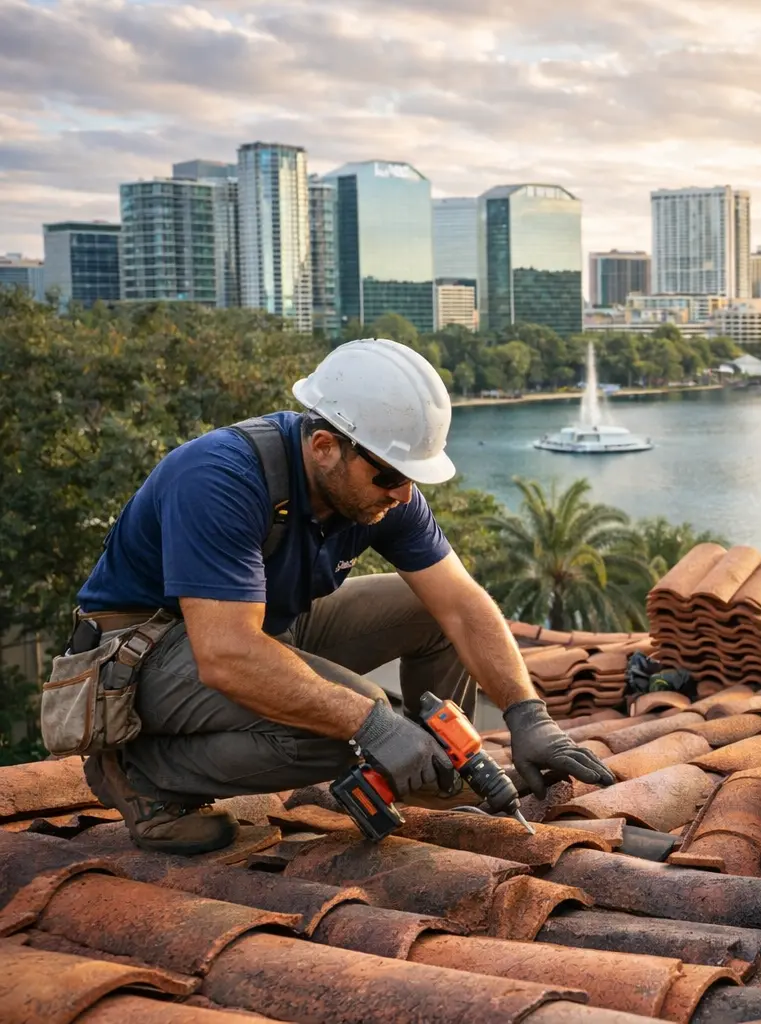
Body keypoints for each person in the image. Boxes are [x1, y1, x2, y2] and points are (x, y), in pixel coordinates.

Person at [69, 338, 614, 854]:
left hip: (265, 627)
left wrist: (527, 714)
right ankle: (142, 774)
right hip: (146, 657)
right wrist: (374, 725)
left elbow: (462, 606)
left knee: (430, 616)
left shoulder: (383, 492)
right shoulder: (220, 477)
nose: (402, 494)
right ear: (325, 447)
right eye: (390, 477)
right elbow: (227, 654)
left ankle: (440, 770)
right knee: (356, 725)